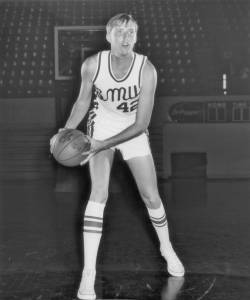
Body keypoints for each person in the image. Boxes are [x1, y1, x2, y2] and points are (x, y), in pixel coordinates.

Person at [50, 13, 185, 300]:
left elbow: (141, 124)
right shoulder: (92, 65)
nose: (126, 38)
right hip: (102, 124)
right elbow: (83, 102)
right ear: (108, 36)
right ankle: (89, 274)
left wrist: (100, 146)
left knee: (151, 196)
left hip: (133, 129)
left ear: (136, 37)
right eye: (120, 32)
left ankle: (166, 247)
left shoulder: (146, 70)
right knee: (98, 192)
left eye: (131, 32)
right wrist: (65, 132)